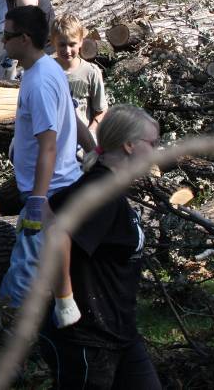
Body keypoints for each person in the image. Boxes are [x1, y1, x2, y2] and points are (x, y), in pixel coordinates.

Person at [38, 105, 162, 390]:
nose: (156, 152)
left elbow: (49, 208)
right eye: (152, 144)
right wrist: (64, 301)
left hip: (119, 333)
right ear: (130, 145)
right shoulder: (101, 192)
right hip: (88, 339)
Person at [0, 5, 81, 307]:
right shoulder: (45, 69)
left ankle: (11, 328)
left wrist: (38, 199)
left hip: (51, 192)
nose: (2, 40)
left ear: (24, 38)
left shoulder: (40, 81)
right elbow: (73, 115)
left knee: (26, 267)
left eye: (7, 35)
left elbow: (48, 144)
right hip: (53, 188)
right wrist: (94, 147)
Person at [51, 14, 108, 137]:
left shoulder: (91, 72)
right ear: (53, 42)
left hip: (80, 139)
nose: (67, 50)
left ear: (81, 41)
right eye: (62, 45)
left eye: (72, 44)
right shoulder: (47, 70)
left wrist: (91, 131)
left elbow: (101, 110)